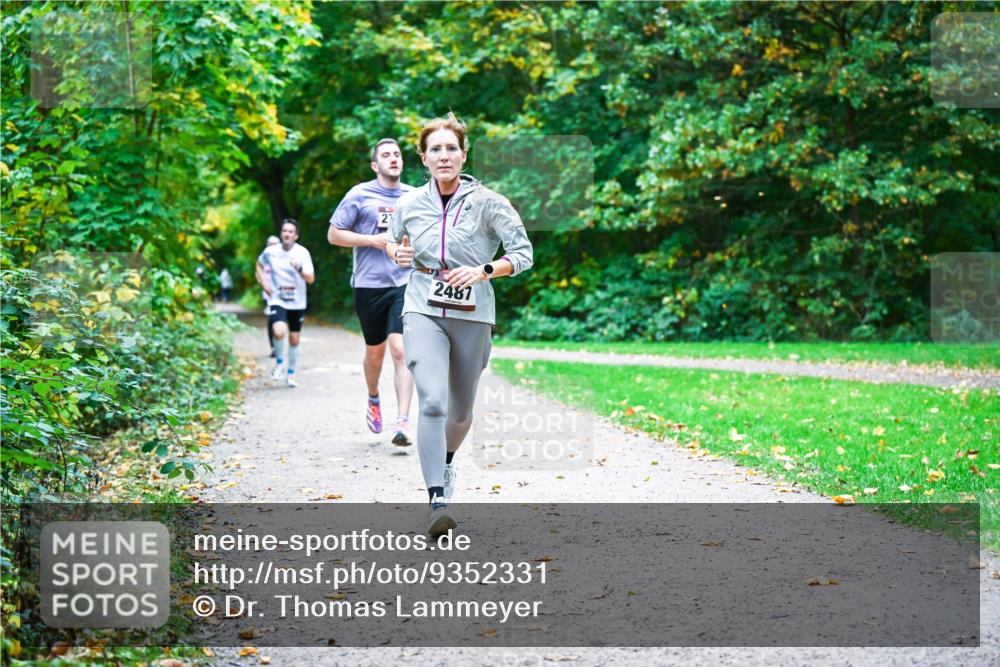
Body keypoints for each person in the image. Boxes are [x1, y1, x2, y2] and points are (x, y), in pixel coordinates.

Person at [386, 113, 533, 536]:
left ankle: (446, 464)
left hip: (473, 311)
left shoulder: (490, 202)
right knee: (432, 402)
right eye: (436, 149)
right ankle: (437, 500)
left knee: (461, 411)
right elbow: (396, 243)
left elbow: (523, 254)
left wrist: (485, 270)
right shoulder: (410, 204)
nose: (444, 155)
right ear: (424, 158)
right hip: (423, 305)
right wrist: (398, 254)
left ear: (463, 155)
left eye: (452, 148)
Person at [328, 139, 416, 446]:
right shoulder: (359, 194)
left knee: (402, 350)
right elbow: (334, 234)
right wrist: (374, 241)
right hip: (368, 285)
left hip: (404, 283)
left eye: (397, 154)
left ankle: (403, 422)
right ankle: (374, 397)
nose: (393, 158)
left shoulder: (414, 197)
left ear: (402, 162)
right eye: (386, 155)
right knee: (375, 353)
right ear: (375, 166)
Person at [257, 219, 315, 388]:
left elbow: (311, 279)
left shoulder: (302, 253)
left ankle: (291, 372)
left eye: (290, 232)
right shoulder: (270, 251)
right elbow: (259, 265)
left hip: (297, 301)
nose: (287, 234)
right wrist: (264, 284)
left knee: (295, 339)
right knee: (279, 331)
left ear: (296, 236)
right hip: (278, 298)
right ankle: (280, 362)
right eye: (284, 231)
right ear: (281, 233)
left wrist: (298, 268)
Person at [255, 235, 281, 357]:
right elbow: (257, 272)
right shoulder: (264, 258)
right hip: (269, 294)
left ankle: (281, 344)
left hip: (284, 293)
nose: (273, 247)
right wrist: (264, 284)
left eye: (276, 244)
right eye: (271, 244)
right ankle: (274, 347)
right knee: (273, 319)